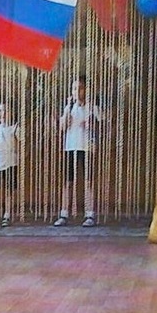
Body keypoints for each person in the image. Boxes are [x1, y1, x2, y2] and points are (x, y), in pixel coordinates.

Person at [54, 75, 101, 228]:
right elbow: (62, 127)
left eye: (80, 88)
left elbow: (99, 126)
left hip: (86, 147)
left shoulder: (92, 107)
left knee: (88, 181)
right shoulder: (69, 107)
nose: (76, 91)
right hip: (70, 147)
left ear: (86, 90)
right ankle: (64, 214)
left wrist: (90, 124)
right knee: (67, 182)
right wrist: (68, 107)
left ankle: (89, 214)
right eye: (74, 88)